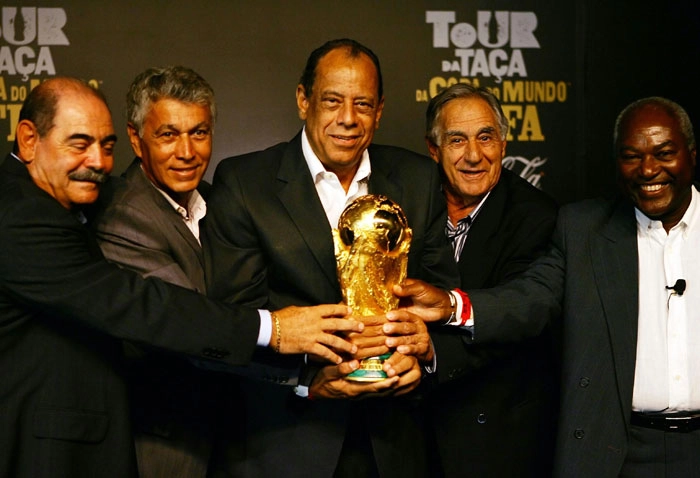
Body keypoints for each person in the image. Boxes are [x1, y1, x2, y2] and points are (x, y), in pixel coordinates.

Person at [0, 77, 363, 478]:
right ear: (29, 139)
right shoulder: (25, 214)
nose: (99, 162)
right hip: (82, 446)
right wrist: (277, 332)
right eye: (79, 144)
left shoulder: (215, 200)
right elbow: (144, 307)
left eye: (106, 146)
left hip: (236, 439)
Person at [396, 96, 699, 477]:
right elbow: (531, 298)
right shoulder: (584, 230)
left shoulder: (532, 213)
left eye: (664, 153)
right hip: (618, 451)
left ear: (691, 153)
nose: (649, 169)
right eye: (632, 156)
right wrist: (452, 305)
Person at [203, 38, 458, 477]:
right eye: (332, 101)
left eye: (363, 104)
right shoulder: (246, 183)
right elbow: (233, 321)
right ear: (304, 101)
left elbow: (440, 300)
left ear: (379, 111)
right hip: (286, 444)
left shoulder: (417, 180)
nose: (347, 119)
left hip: (393, 445)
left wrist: (423, 355)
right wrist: (306, 381)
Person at [91, 66, 223, 478]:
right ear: (136, 138)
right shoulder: (123, 216)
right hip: (168, 448)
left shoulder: (219, 203)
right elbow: (196, 323)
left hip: (234, 439)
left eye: (198, 133)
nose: (187, 151)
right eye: (168, 135)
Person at [421, 83, 558, 477]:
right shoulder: (410, 202)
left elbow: (516, 319)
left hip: (495, 439)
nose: (474, 155)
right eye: (457, 140)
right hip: (412, 428)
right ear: (434, 150)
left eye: (486, 137)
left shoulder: (537, 216)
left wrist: (430, 351)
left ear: (503, 143)